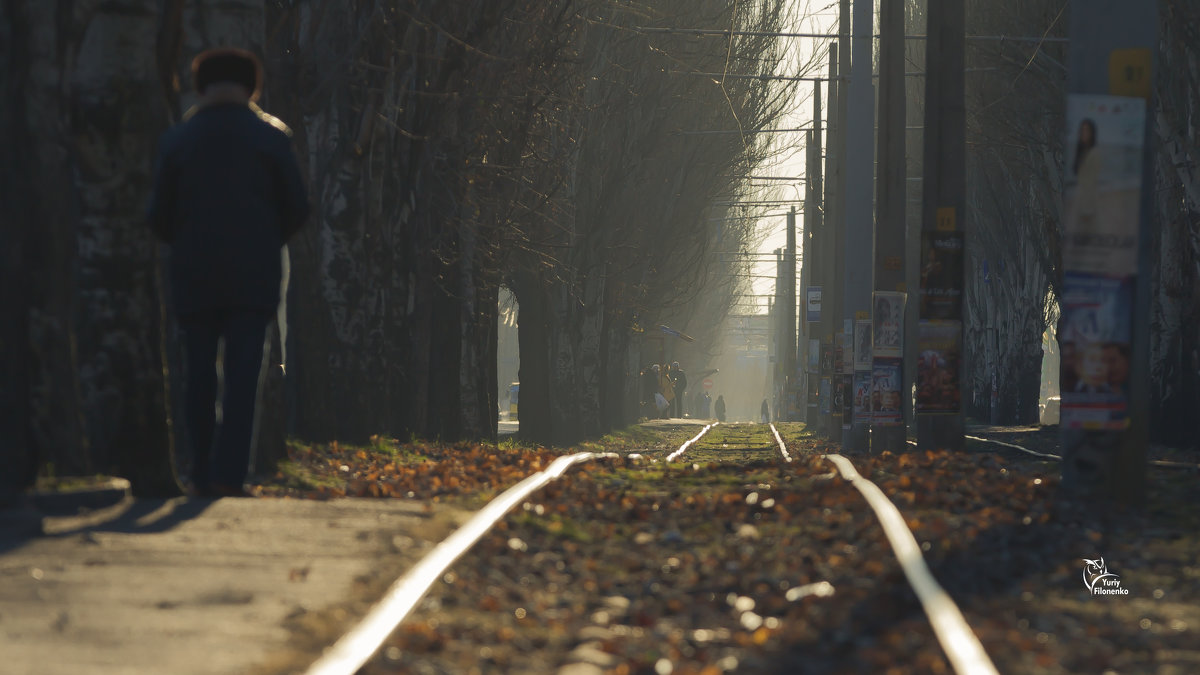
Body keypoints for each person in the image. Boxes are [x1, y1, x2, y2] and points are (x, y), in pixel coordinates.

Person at [148, 48, 309, 497]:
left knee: (197, 374)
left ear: (199, 86)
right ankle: (229, 476)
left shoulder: (177, 140)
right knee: (242, 378)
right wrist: (263, 238)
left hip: (193, 273)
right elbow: (297, 206)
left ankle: (198, 472)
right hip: (253, 277)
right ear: (252, 86)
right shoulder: (272, 137)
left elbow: (157, 214)